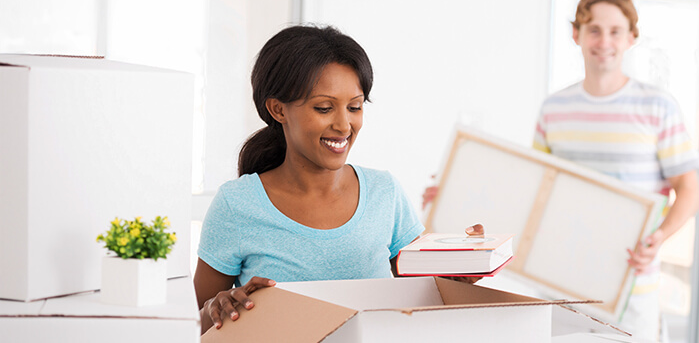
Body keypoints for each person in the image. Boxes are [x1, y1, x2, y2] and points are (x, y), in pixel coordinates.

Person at [423, 0, 699, 340]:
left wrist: (658, 238)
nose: (604, 42)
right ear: (577, 34)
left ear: (632, 38)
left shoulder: (659, 106)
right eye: (594, 29)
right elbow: (532, 194)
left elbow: (689, 190)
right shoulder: (554, 109)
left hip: (630, 291)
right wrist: (454, 192)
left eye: (615, 31)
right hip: (560, 286)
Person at [194, 25, 483, 335]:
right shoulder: (236, 205)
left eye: (355, 107)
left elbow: (424, 295)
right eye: (324, 108)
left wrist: (459, 273)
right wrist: (216, 309)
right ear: (278, 109)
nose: (344, 125)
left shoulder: (385, 193)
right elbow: (194, 322)